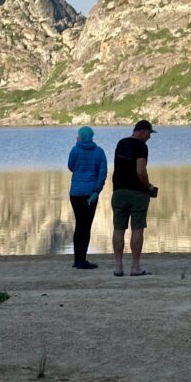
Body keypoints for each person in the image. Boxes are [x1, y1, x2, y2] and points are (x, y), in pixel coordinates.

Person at [111, 119, 158, 277]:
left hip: (118, 191)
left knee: (118, 229)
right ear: (143, 131)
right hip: (137, 193)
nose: (149, 138)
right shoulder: (141, 146)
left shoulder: (121, 143)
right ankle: (135, 267)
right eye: (149, 134)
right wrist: (149, 186)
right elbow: (140, 171)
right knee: (137, 229)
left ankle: (118, 267)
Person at [67, 126, 107, 270]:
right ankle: (82, 260)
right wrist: (97, 190)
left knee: (79, 225)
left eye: (78, 135)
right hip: (91, 195)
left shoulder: (75, 150)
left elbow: (71, 167)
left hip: (75, 194)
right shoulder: (99, 152)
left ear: (81, 136)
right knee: (86, 226)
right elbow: (102, 173)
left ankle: (77, 260)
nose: (76, 137)